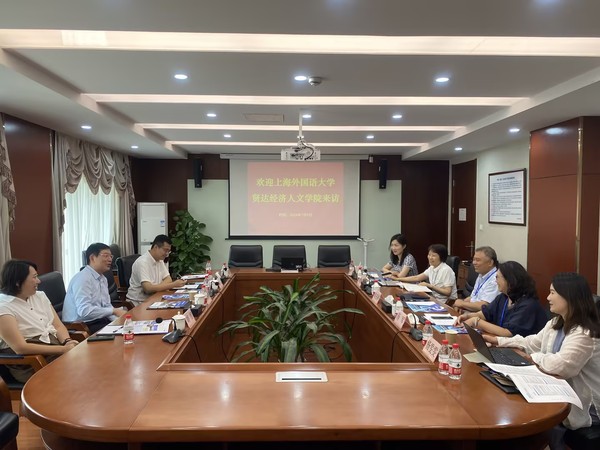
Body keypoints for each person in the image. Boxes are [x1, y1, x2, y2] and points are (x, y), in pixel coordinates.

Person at [483, 273, 600, 450]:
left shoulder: (585, 332)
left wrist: (534, 358)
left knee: (520, 408)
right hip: (558, 389)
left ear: (569, 296)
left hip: (583, 404)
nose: (547, 298)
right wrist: (498, 341)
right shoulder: (556, 322)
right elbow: (532, 343)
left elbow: (562, 366)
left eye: (552, 293)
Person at [0, 260, 78, 382]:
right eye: (34, 277)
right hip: (31, 362)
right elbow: (20, 348)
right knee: (79, 372)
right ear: (17, 282)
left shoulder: (39, 295)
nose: (39, 281)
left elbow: (57, 325)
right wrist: (63, 350)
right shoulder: (3, 306)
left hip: (54, 349)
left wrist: (67, 341)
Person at [456, 261, 547, 337]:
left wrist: (477, 322)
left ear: (510, 280)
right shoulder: (503, 297)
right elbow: (484, 314)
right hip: (501, 343)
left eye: (497, 277)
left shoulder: (528, 304)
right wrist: (467, 316)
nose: (496, 281)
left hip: (522, 350)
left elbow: (508, 333)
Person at [62, 243, 126, 333]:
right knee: (121, 335)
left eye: (111, 256)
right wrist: (114, 311)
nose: (110, 259)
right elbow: (84, 311)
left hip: (98, 320)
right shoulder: (83, 279)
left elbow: (106, 306)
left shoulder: (103, 279)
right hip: (81, 326)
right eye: (106, 256)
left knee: (127, 328)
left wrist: (118, 321)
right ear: (92, 258)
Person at [127, 234, 185, 305]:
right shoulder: (142, 262)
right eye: (165, 250)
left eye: (168, 251)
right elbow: (148, 289)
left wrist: (156, 288)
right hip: (138, 303)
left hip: (155, 298)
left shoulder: (160, 260)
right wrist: (173, 284)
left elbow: (168, 279)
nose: (167, 254)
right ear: (156, 247)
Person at [452, 246, 500, 312]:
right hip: (472, 311)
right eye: (474, 259)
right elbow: (473, 297)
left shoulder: (496, 280)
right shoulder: (481, 274)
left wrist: (462, 304)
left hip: (482, 315)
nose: (474, 263)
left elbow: (484, 306)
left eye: (477, 260)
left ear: (490, 263)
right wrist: (461, 304)